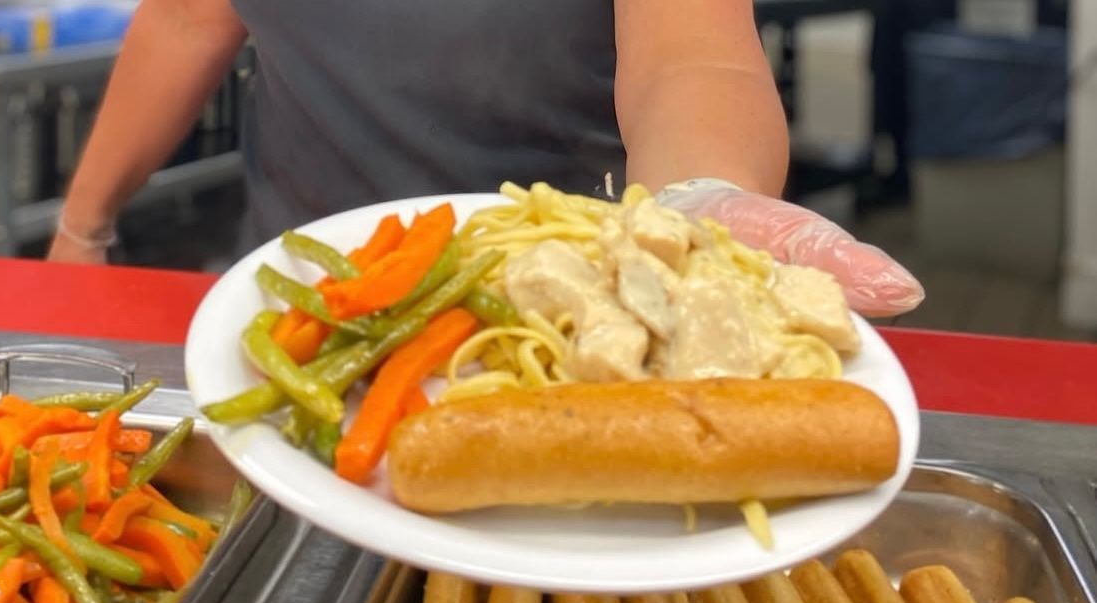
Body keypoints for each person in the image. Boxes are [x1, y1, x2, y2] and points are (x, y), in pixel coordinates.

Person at [46, 0, 924, 317]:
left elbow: (691, 55)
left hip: (548, 320)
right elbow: (189, 16)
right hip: (305, 315)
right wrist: (83, 227)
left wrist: (693, 203)